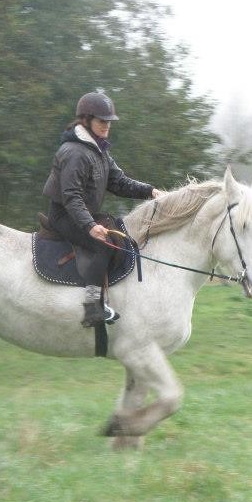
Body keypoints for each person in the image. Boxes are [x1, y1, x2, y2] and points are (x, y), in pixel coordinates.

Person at [42, 91, 161, 327]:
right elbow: (71, 196)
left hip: (82, 213)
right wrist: (90, 226)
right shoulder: (74, 152)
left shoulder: (99, 150)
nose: (107, 125)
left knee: (118, 236)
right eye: (101, 120)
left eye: (109, 121)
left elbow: (119, 182)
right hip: (65, 215)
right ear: (86, 120)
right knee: (103, 244)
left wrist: (150, 191)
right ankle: (92, 308)